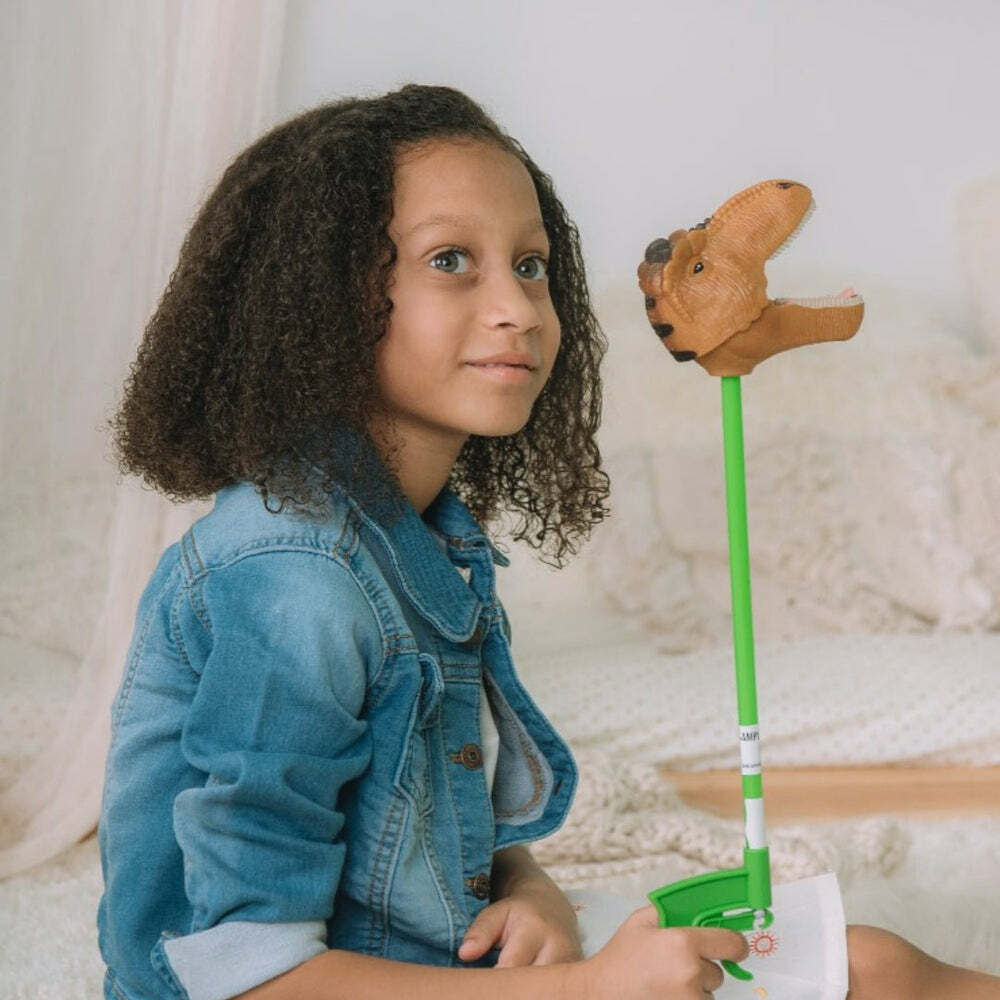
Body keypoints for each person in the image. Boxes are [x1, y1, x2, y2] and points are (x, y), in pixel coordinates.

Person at [96, 82, 1000, 1000]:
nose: (520, 309)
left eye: (530, 266)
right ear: (319, 300)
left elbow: (426, 828)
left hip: (431, 964)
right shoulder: (294, 579)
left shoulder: (420, 541)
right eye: (452, 259)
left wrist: (531, 892)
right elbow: (242, 976)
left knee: (875, 964)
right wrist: (589, 986)